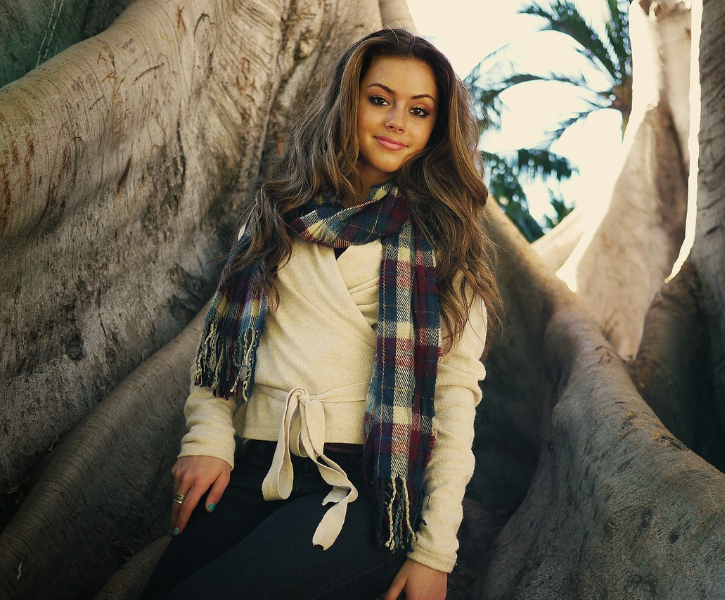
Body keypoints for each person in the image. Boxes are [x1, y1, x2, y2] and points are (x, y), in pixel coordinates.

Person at [139, 27, 501, 600]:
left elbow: (454, 406)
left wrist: (435, 552)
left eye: (419, 110)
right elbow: (222, 352)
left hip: (363, 489)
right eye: (379, 99)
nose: (396, 121)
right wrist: (206, 441)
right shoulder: (278, 215)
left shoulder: (444, 244)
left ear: (436, 129)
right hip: (252, 463)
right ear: (348, 102)